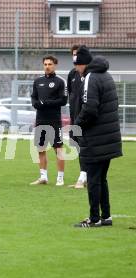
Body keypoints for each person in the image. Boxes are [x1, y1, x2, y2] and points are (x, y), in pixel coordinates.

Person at [73, 54, 122, 228]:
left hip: (96, 138)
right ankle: (106, 216)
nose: (76, 68)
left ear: (83, 64)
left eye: (77, 65)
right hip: (109, 136)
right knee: (102, 178)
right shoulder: (106, 76)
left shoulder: (90, 78)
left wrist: (76, 126)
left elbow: (90, 109)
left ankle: (94, 219)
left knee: (93, 180)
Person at [30, 55, 67, 186]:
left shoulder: (60, 82)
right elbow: (34, 98)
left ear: (55, 65)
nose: (47, 66)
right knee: (41, 148)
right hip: (40, 119)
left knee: (58, 149)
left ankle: (60, 178)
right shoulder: (37, 81)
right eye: (45, 64)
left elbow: (63, 100)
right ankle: (43, 177)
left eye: (50, 64)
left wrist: (46, 103)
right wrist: (36, 104)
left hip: (54, 120)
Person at [67, 45, 92, 189]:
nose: (76, 57)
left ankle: (83, 178)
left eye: (78, 55)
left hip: (85, 119)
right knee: (78, 147)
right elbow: (72, 96)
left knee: (86, 147)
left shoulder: (90, 75)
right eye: (74, 55)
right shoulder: (72, 74)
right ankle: (85, 176)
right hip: (75, 117)